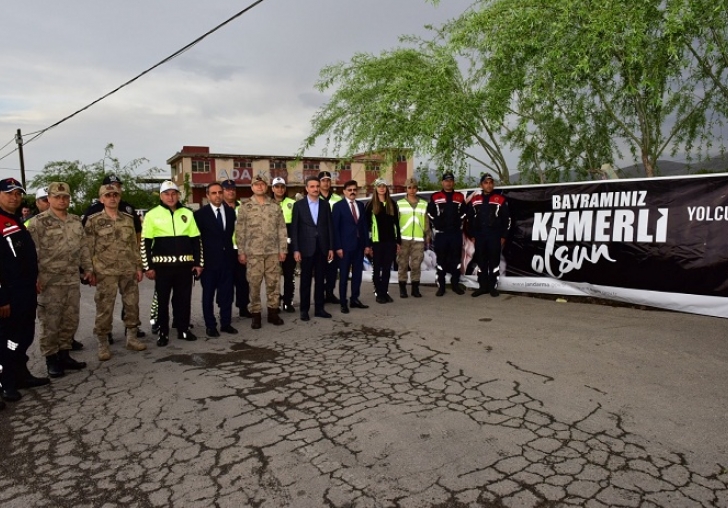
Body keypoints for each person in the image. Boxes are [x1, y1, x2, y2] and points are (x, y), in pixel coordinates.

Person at [27, 182, 93, 378]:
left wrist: (88, 268)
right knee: (51, 322)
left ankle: (65, 354)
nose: (62, 200)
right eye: (57, 197)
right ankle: (51, 359)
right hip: (49, 281)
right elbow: (31, 254)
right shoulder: (38, 222)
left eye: (65, 197)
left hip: (71, 278)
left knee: (70, 319)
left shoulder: (74, 220)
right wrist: (34, 277)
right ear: (49, 199)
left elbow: (83, 246)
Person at [81, 174, 147, 342]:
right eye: (108, 195)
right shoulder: (93, 220)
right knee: (105, 307)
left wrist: (139, 267)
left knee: (132, 305)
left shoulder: (128, 219)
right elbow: (87, 248)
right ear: (101, 199)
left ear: (120, 196)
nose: (112, 198)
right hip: (105, 271)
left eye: (115, 194)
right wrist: (89, 271)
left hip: (127, 269)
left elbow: (135, 244)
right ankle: (103, 341)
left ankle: (132, 337)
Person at [0, 178, 47, 406]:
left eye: (18, 193)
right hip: (8, 296)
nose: (14, 197)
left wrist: (34, 280)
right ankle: (6, 382)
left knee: (24, 336)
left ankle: (21, 374)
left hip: (25, 291)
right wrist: (1, 298)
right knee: (9, 340)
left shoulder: (16, 220)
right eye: (9, 193)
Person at [141, 181, 203, 346]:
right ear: (161, 196)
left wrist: (198, 263)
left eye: (174, 193)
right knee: (162, 302)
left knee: (183, 300)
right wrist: (148, 267)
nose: (171, 197)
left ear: (178, 195)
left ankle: (183, 330)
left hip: (184, 267)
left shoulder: (188, 214)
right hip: (162, 268)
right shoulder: (152, 215)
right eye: (167, 194)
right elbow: (145, 243)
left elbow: (196, 241)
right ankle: (163, 333)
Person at [235, 173, 288, 329]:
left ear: (267, 187)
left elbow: (281, 229)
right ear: (252, 187)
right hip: (253, 253)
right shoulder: (245, 207)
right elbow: (240, 231)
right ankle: (256, 315)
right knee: (254, 285)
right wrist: (241, 252)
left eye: (263, 184)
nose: (260, 187)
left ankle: (273, 313)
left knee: (274, 284)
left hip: (272, 252)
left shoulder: (275, 206)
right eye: (256, 184)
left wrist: (282, 249)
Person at [194, 182, 238, 337]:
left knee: (227, 295)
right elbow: (196, 240)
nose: (218, 195)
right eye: (214, 193)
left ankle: (226, 323)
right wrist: (198, 262)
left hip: (227, 261)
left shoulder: (230, 212)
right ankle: (210, 325)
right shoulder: (200, 215)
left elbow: (231, 235)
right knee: (208, 295)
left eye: (220, 192)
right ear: (207, 195)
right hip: (209, 262)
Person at [291, 176, 334, 321]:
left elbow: (329, 227)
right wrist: (296, 249)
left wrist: (331, 248)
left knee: (321, 280)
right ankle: (304, 310)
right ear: (307, 188)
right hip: (306, 248)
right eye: (312, 186)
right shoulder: (299, 206)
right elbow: (295, 229)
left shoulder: (325, 205)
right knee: (305, 281)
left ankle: (319, 309)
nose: (316, 189)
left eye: (317, 186)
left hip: (322, 248)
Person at [466, 173, 511, 297]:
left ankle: (493, 287)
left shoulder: (500, 199)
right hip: (480, 236)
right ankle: (482, 287)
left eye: (491, 182)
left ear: (493, 184)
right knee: (481, 262)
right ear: (481, 185)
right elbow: (469, 219)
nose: (489, 185)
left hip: (494, 236)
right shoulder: (475, 200)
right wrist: (473, 235)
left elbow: (507, 219)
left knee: (494, 262)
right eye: (486, 182)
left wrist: (503, 236)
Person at [332, 179, 370, 313]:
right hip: (345, 248)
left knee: (357, 275)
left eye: (354, 190)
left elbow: (364, 226)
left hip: (359, 247)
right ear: (344, 192)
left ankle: (355, 299)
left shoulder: (360, 205)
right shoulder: (338, 206)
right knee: (343, 276)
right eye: (349, 190)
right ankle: (343, 302)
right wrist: (338, 247)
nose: (352, 192)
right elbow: (335, 229)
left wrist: (367, 244)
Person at [427, 172, 467, 296]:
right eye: (446, 181)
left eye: (450, 181)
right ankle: (442, 286)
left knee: (456, 261)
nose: (448, 183)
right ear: (442, 182)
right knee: (441, 261)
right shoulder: (435, 196)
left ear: (453, 182)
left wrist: (458, 220)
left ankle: (455, 285)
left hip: (455, 234)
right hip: (441, 235)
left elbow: (465, 213)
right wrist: (437, 223)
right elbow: (429, 213)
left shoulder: (459, 196)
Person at [365, 179, 401, 304]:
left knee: (386, 269)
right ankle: (378, 293)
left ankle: (385, 292)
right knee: (377, 269)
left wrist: (398, 242)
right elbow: (366, 226)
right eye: (379, 186)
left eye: (384, 186)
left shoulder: (392, 204)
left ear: (386, 188)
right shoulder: (370, 205)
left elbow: (397, 224)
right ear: (375, 188)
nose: (382, 188)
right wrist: (368, 244)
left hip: (390, 242)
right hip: (377, 242)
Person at [222, 179, 252, 319]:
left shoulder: (243, 207)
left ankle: (243, 307)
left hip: (242, 249)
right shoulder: (219, 208)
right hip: (226, 250)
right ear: (223, 192)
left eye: (233, 189)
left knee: (243, 281)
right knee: (226, 282)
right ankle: (225, 308)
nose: (231, 191)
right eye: (228, 189)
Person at [397, 178, 430, 298]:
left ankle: (415, 288)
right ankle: (402, 288)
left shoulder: (423, 203)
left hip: (418, 239)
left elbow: (426, 221)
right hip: (403, 239)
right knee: (402, 264)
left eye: (414, 187)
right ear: (406, 189)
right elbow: (396, 222)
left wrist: (427, 235)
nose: (412, 190)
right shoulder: (399, 203)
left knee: (416, 264)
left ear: (417, 189)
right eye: (409, 187)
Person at [271, 177, 297, 313]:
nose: (280, 189)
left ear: (285, 189)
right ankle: (275, 302)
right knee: (273, 277)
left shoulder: (293, 203)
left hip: (289, 245)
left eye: (282, 187)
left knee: (289, 275)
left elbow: (296, 226)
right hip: (272, 246)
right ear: (272, 188)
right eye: (277, 186)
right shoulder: (268, 204)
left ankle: (288, 302)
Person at [318, 171, 342, 304]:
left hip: (334, 238)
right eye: (323, 180)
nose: (326, 183)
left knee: (333, 269)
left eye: (328, 180)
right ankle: (320, 294)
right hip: (320, 238)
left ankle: (330, 293)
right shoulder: (315, 198)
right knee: (320, 269)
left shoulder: (338, 199)